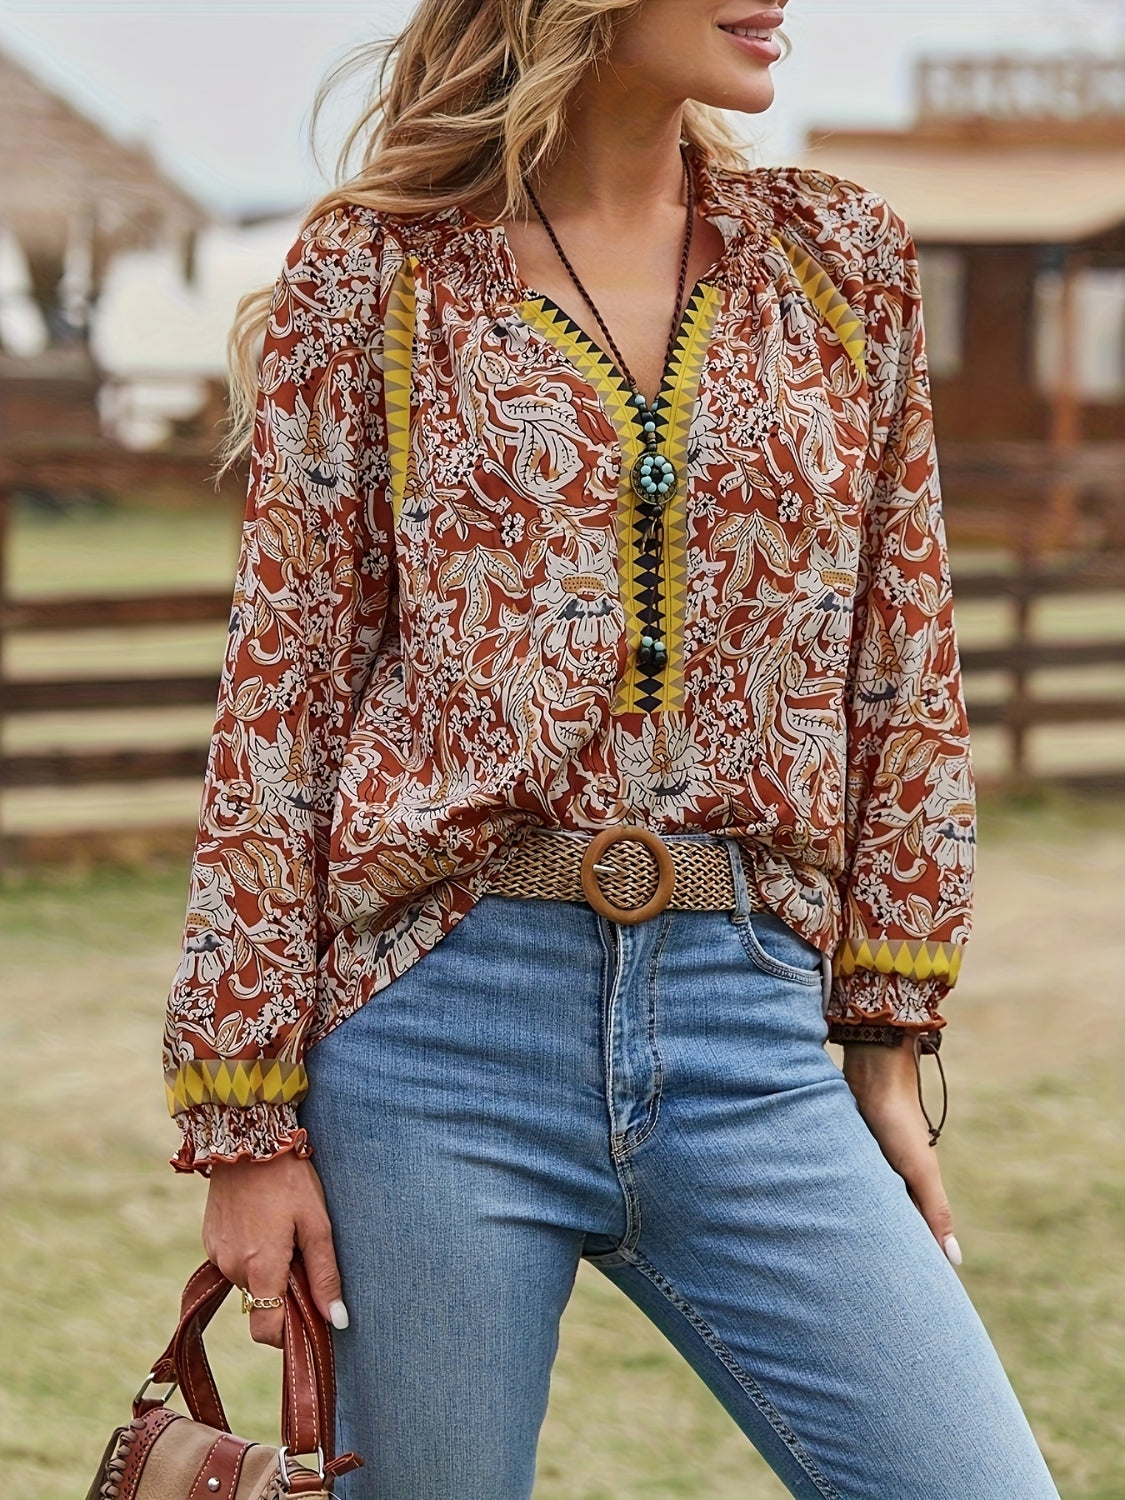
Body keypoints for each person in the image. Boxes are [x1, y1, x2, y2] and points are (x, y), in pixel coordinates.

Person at [163, 2, 1060, 1495]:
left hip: (749, 1034)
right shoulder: (372, 279)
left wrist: (885, 1045)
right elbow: (281, 703)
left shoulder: (844, 265)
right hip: (436, 1035)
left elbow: (902, 665)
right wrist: (245, 1120)